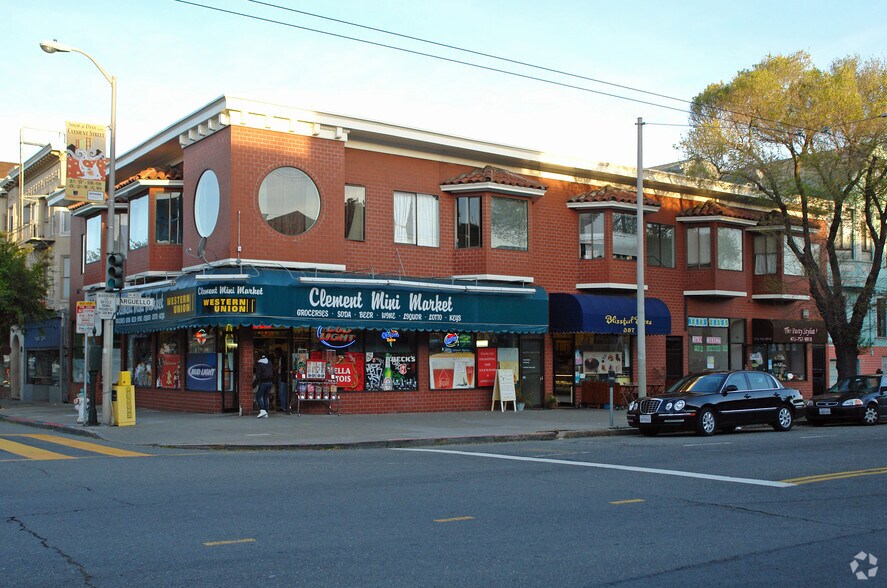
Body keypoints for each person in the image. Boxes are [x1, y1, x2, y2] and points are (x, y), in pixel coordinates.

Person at [252, 353, 274, 418]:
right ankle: (266, 412)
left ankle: (262, 410)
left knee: (258, 397)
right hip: (270, 382)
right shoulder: (269, 362)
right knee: (265, 397)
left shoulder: (259, 364)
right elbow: (273, 371)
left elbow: (258, 376)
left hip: (264, 382)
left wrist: (254, 384)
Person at [275, 347, 289, 414]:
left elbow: (283, 367)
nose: (276, 354)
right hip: (283, 376)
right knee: (283, 392)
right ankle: (284, 406)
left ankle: (283, 407)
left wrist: (278, 368)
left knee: (282, 392)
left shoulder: (282, 359)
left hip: (283, 377)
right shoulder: (282, 358)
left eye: (276, 352)